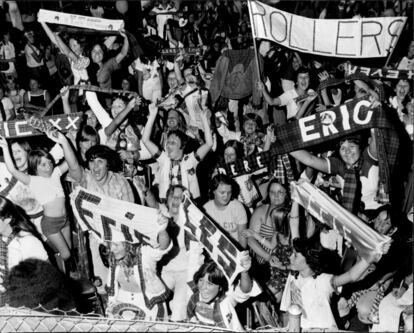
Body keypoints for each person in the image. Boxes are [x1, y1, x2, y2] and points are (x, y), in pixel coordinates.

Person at [0, 132, 74, 273]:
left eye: (18, 151)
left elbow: (60, 150)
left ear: (28, 152)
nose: (15, 154)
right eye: (12, 152)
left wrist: (69, 137)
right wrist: (4, 146)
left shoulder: (42, 168)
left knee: (63, 253)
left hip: (48, 219)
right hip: (25, 224)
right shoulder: (7, 172)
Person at [279, 236, 384, 330]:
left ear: (309, 260)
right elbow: (287, 308)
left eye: (295, 255)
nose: (290, 257)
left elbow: (351, 276)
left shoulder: (323, 281)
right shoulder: (293, 275)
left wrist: (371, 257)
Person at [105, 213, 172, 321]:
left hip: (148, 303)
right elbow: (112, 289)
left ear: (128, 244)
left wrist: (162, 229)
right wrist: (111, 306)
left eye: (116, 245)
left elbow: (163, 247)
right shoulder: (114, 257)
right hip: (122, 301)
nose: (112, 249)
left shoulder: (144, 253)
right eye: (110, 244)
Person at [142, 103, 213, 202]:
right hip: (167, 206)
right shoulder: (164, 159)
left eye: (173, 143)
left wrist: (204, 119)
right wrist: (152, 115)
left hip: (189, 206)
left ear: (182, 146)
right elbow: (145, 140)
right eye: (168, 142)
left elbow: (209, 144)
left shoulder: (190, 160)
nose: (168, 145)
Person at [186, 252, 261, 331]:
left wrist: (244, 271)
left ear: (220, 287)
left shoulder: (227, 299)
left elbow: (245, 290)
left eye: (210, 284)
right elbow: (193, 256)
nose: (203, 287)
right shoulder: (195, 293)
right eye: (201, 280)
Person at [0, 196, 48, 306]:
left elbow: (45, 281)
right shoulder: (2, 238)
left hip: (22, 304)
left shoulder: (27, 242)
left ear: (7, 219)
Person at [203, 174, 247, 248]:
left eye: (229, 192)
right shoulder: (206, 209)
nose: (226, 196)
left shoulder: (238, 207)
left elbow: (243, 243)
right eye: (222, 192)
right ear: (213, 191)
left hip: (236, 250)